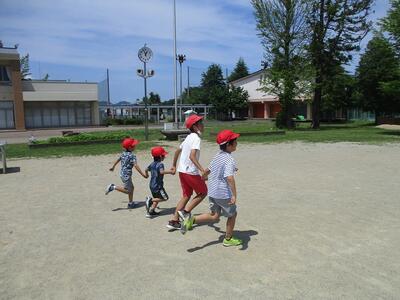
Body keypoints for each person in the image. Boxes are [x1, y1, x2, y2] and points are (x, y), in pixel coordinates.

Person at [181, 129, 242, 247]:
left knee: (214, 215)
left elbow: (208, 170)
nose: (237, 143)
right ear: (229, 145)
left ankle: (191, 220)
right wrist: (234, 195)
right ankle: (228, 239)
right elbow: (229, 178)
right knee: (232, 215)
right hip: (223, 194)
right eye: (235, 141)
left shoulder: (218, 156)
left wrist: (203, 177)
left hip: (213, 191)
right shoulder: (229, 159)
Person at [166, 114, 208, 230]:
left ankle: (174, 221)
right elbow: (192, 156)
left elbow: (177, 151)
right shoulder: (196, 138)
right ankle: (185, 212)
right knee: (203, 192)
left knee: (186, 195)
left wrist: (174, 165)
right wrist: (202, 170)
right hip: (190, 172)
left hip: (182, 171)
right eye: (200, 123)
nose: (203, 125)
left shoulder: (188, 137)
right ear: (195, 127)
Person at [105, 137, 148, 208]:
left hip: (123, 174)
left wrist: (113, 166)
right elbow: (136, 165)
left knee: (132, 188)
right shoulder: (132, 155)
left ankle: (130, 203)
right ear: (130, 147)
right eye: (133, 145)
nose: (135, 146)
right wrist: (143, 174)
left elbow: (118, 159)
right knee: (128, 191)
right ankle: (113, 187)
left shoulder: (124, 153)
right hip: (126, 175)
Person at [144, 146, 174, 218]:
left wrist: (146, 175)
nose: (164, 157)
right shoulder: (160, 164)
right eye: (164, 155)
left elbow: (146, 169)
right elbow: (162, 172)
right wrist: (170, 172)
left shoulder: (152, 163)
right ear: (160, 156)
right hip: (158, 186)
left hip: (152, 185)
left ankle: (151, 212)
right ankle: (150, 200)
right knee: (165, 198)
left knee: (157, 198)